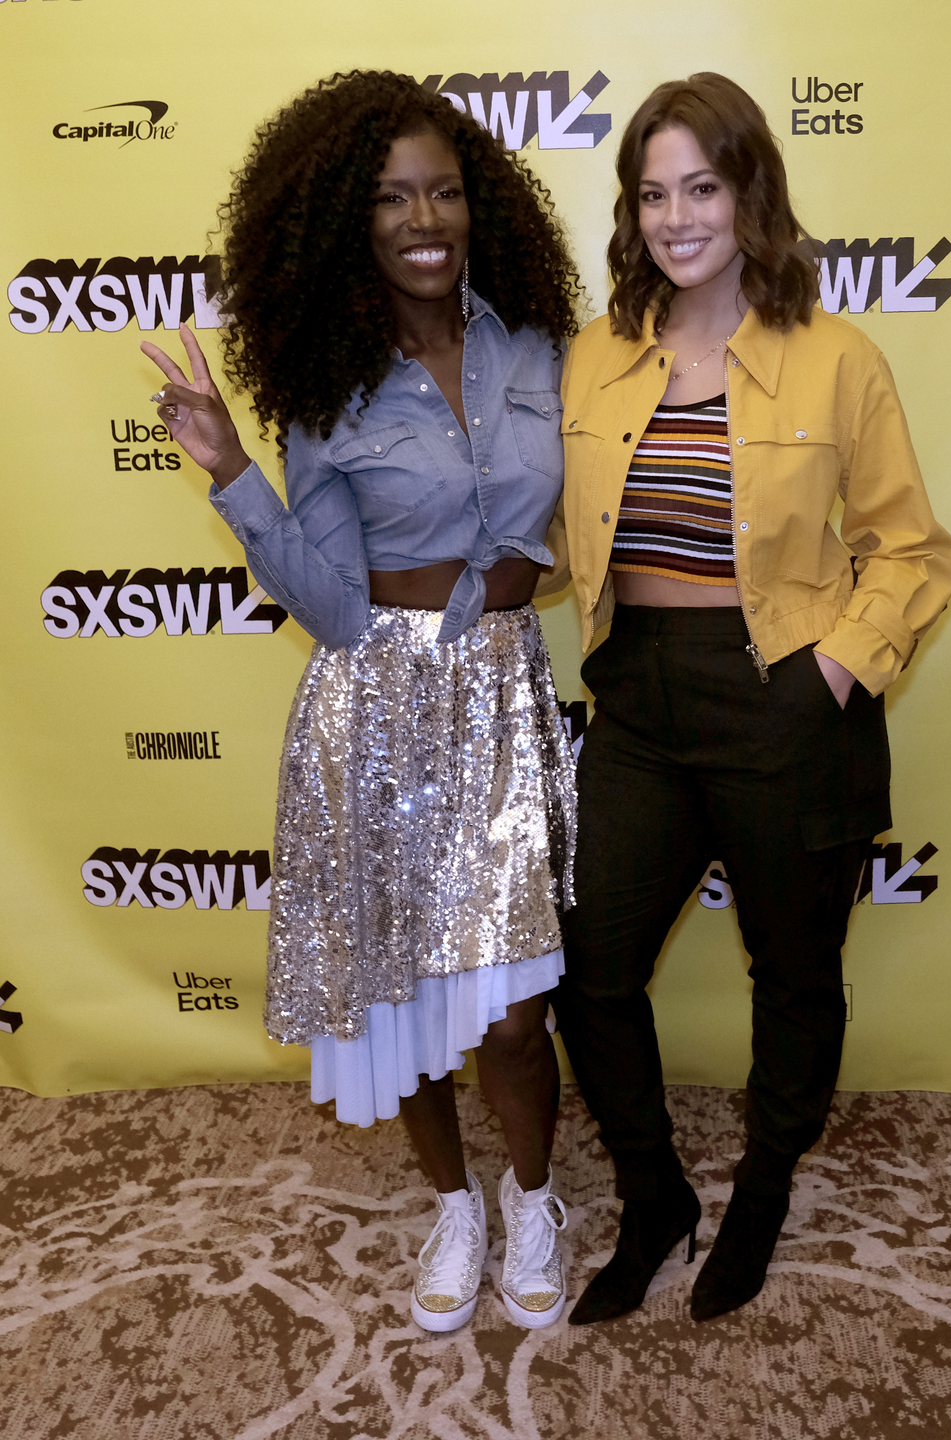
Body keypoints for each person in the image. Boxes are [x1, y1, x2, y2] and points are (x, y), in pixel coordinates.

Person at [141, 70, 582, 1334]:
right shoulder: (326, 388)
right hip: (375, 707)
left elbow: (568, 515)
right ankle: (453, 1203)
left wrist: (528, 565)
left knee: (512, 1007)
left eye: (442, 189)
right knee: (403, 994)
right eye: (392, 198)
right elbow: (330, 609)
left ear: (476, 205)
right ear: (353, 219)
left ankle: (533, 1197)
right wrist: (233, 474)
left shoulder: (537, 345)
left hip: (498, 694)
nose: (423, 217)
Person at [551, 72, 951, 1325]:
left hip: (786, 693)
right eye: (653, 192)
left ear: (750, 195)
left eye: (703, 187)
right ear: (632, 211)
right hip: (639, 706)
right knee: (588, 968)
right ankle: (656, 1193)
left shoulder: (839, 359)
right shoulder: (596, 351)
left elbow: (912, 550)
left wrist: (833, 672)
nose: (678, 216)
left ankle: (767, 1189)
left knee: (795, 972)